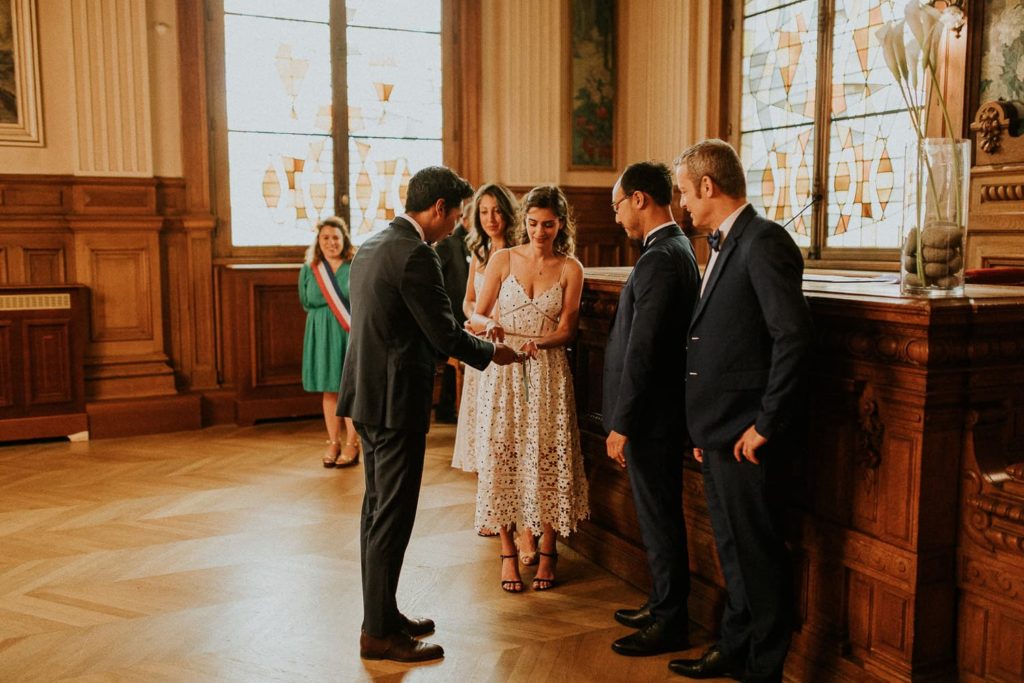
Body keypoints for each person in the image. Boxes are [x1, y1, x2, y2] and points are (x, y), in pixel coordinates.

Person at [338, 166, 519, 663]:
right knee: (391, 516)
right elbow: (444, 334)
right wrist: (491, 353)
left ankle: (382, 613)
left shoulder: (373, 245)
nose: (460, 223)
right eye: (458, 213)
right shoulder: (417, 255)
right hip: (396, 403)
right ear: (439, 208)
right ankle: (379, 635)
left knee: (376, 511)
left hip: (366, 397)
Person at [667, 140, 812, 683]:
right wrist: (705, 425)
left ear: (708, 186)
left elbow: (792, 338)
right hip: (719, 430)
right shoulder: (723, 242)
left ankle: (763, 669)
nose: (682, 203)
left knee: (758, 555)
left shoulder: (764, 241)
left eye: (684, 191)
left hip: (749, 435)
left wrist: (764, 426)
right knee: (732, 549)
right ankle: (733, 647)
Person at [469, 185, 590, 593]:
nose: (540, 232)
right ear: (524, 221)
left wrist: (546, 342)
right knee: (502, 452)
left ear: (561, 225)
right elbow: (476, 315)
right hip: (503, 368)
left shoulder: (571, 267)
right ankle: (507, 550)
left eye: (549, 225)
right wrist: (491, 328)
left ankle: (549, 548)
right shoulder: (502, 259)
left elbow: (568, 328)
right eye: (534, 223)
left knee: (547, 454)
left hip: (548, 371)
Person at [603, 162, 700, 657]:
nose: (617, 217)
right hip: (656, 413)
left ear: (640, 199)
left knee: (660, 516)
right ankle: (661, 602)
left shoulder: (662, 257)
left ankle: (670, 620)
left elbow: (646, 349)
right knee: (656, 513)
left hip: (653, 417)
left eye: (617, 205)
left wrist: (622, 422)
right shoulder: (669, 250)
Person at [450, 183, 530, 548]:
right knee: (486, 432)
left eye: (497, 210)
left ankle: (520, 513)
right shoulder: (479, 253)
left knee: (510, 433)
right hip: (483, 344)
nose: (491, 218)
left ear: (508, 214)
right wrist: (478, 320)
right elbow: (468, 302)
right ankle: (492, 511)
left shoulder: (519, 251)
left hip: (512, 345)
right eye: (483, 212)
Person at [299, 216, 360, 468]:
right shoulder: (310, 268)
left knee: (352, 390)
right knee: (329, 389)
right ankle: (333, 441)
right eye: (325, 237)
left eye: (335, 237)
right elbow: (305, 301)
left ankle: (352, 444)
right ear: (318, 241)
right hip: (320, 334)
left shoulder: (354, 265)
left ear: (344, 239)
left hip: (348, 332)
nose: (331, 242)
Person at [433, 203, 472, 423]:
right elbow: (435, 274)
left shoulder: (467, 243)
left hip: (463, 314)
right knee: (452, 364)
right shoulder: (448, 243)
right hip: (452, 314)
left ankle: (449, 407)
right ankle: (447, 408)